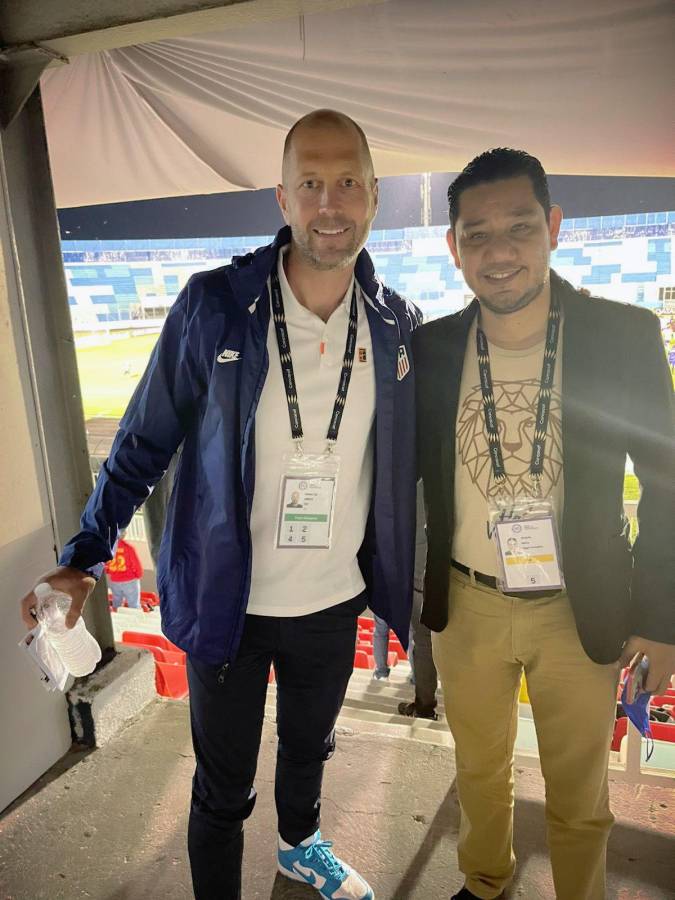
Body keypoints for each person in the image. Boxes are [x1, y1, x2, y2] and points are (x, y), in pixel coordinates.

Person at [20, 109, 421, 900]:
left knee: (310, 748)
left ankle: (300, 845)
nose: (329, 202)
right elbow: (141, 441)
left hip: (334, 602)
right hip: (226, 601)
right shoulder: (213, 306)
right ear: (282, 197)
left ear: (375, 196)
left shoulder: (395, 324)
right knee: (222, 783)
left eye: (347, 182)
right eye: (311, 183)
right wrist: (82, 557)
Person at [414, 148, 675, 900]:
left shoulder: (619, 334)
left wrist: (661, 621)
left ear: (553, 227)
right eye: (476, 235)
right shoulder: (431, 348)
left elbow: (664, 482)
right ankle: (484, 882)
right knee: (476, 770)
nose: (498, 253)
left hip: (577, 607)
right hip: (465, 607)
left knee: (577, 791)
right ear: (453, 246)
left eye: (519, 227)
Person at [398, 483, 438, 720]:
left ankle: (425, 706)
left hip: (420, 576)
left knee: (423, 641)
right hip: (458, 574)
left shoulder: (412, 486)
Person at [104, 529, 143, 609]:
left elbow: (105, 565)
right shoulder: (128, 548)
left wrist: (111, 571)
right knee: (134, 605)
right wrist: (138, 575)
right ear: (123, 534)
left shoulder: (108, 548)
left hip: (115, 581)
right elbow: (136, 564)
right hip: (129, 581)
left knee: (116, 604)